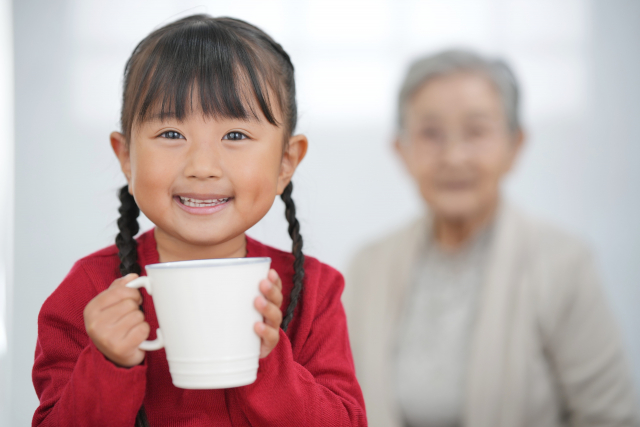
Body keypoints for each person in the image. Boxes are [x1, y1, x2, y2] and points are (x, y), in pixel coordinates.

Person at [32, 15, 366, 427]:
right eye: (171, 133)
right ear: (125, 157)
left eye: (236, 136)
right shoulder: (89, 293)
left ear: (286, 162)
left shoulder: (314, 291)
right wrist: (108, 363)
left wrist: (267, 357)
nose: (202, 166)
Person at [344, 50, 638, 427]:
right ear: (401, 150)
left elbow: (610, 417)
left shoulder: (565, 264)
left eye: (477, 131)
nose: (454, 156)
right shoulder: (369, 266)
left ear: (515, 145)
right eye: (431, 133)